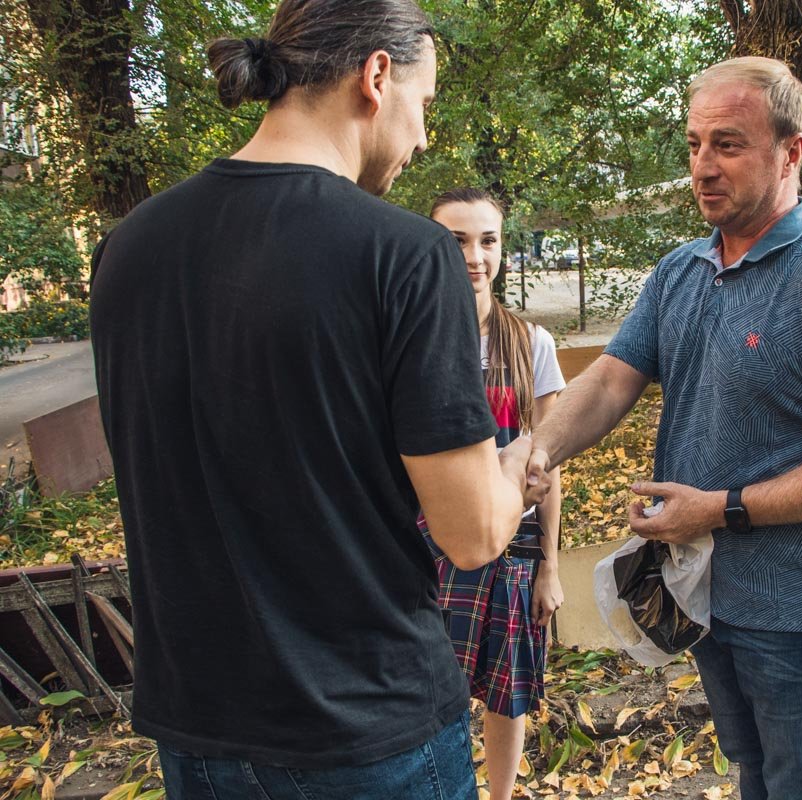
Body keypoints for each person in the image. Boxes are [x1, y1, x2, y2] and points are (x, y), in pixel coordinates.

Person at [88, 2, 532, 798]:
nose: (423, 136)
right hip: (367, 729)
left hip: (196, 727)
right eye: (423, 107)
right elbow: (473, 535)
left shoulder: (128, 248)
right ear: (376, 76)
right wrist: (532, 450)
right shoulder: (406, 254)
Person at [523, 57, 802, 800]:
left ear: (791, 151)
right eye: (695, 144)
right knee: (753, 770)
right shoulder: (683, 268)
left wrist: (721, 508)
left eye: (727, 144)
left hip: (795, 606)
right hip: (703, 589)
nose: (703, 166)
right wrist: (537, 447)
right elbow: (611, 378)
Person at [426, 188, 566, 800]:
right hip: (430, 548)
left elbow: (550, 458)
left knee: (507, 695)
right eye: (456, 240)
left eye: (487, 240)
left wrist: (550, 566)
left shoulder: (531, 343)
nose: (474, 256)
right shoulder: (414, 339)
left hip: (513, 550)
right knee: (437, 690)